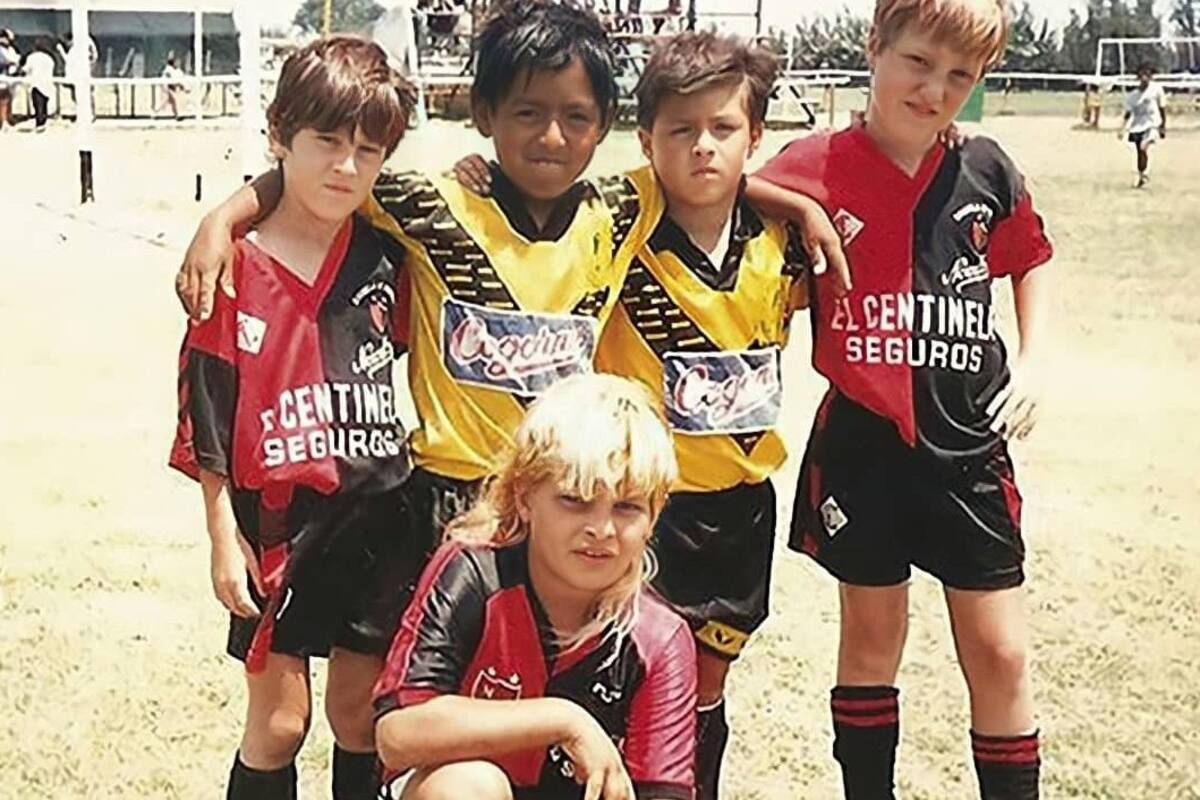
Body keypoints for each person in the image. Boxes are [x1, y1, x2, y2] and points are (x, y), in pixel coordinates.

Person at [749, 0, 1054, 798]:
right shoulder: (813, 160)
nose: (935, 89)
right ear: (875, 45)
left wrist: (1035, 360)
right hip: (863, 442)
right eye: (919, 63)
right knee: (873, 635)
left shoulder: (986, 167)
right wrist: (803, 206)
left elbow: (1029, 257)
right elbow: (729, 187)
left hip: (968, 445)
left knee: (1001, 653)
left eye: (960, 75)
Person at [168, 36, 419, 800]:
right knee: (279, 722)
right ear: (280, 136)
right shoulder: (235, 262)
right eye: (327, 142)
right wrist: (220, 532)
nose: (346, 166)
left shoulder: (388, 255)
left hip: (379, 512)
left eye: (368, 151)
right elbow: (207, 409)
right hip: (275, 521)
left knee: (358, 713)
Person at [373, 373, 697, 800]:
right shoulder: (473, 573)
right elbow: (398, 732)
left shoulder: (659, 639)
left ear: (654, 515)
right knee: (466, 786)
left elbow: (663, 792)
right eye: (574, 500)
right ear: (524, 498)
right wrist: (564, 720)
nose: (601, 529)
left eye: (627, 507)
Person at [1121, 62, 1167, 188]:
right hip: (1138, 126)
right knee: (1139, 152)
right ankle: (1142, 174)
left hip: (1152, 124)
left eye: (1147, 75)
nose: (1144, 78)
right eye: (1142, 75)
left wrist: (1163, 126)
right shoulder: (1133, 96)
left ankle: (1149, 142)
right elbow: (1128, 113)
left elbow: (1162, 108)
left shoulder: (1157, 90)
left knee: (1143, 146)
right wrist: (1122, 128)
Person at [22, 36, 56, 132]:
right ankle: (43, 121)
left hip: (36, 83)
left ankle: (39, 123)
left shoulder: (32, 57)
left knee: (38, 104)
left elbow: (26, 68)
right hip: (47, 83)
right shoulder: (49, 58)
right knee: (44, 103)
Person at [155, 52, 186, 120]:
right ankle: (155, 113)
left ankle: (176, 116)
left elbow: (176, 81)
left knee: (173, 101)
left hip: (168, 86)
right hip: (165, 86)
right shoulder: (168, 69)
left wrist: (181, 86)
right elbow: (169, 80)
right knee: (165, 100)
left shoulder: (176, 70)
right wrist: (181, 86)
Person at [0, 29, 18, 130]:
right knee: (4, 100)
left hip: (7, 77)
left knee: (6, 100)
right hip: (2, 78)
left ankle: (7, 119)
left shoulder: (9, 49)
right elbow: (7, 61)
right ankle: (4, 121)